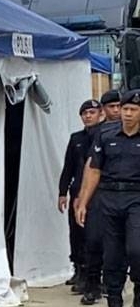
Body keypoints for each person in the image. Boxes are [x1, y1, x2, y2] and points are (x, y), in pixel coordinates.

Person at [75, 89, 140, 307]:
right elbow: (93, 170)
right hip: (109, 198)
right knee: (111, 256)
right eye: (125, 109)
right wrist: (83, 201)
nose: (128, 114)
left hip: (136, 198)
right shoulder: (106, 134)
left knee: (136, 250)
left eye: (133, 110)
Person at [57, 99, 104, 292]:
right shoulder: (76, 138)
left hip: (98, 193)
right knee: (76, 233)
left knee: (93, 235)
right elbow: (68, 167)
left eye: (92, 113)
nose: (88, 116)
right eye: (85, 113)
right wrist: (62, 192)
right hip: (76, 191)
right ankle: (79, 269)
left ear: (100, 114)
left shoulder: (104, 135)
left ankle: (93, 276)